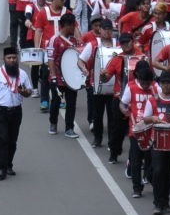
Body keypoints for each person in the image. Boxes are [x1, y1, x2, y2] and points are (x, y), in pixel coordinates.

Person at [0, 47, 32, 180]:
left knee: (12, 140)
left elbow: (29, 92)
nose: (12, 60)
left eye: (14, 58)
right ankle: (1, 168)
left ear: (17, 59)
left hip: (16, 111)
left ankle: (9, 164)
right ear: (4, 59)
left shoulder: (23, 74)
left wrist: (24, 92)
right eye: (9, 58)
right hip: (0, 111)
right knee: (3, 138)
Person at [143, 70, 170, 215]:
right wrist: (154, 118)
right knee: (158, 170)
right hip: (157, 140)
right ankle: (158, 203)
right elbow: (146, 118)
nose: (166, 85)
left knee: (169, 172)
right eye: (164, 83)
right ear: (160, 84)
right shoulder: (152, 99)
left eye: (169, 83)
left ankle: (166, 201)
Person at [101, 32, 147, 163]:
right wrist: (102, 74)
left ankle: (138, 157)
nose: (125, 45)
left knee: (140, 128)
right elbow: (105, 79)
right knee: (118, 129)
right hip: (120, 99)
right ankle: (114, 153)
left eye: (128, 41)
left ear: (133, 42)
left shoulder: (142, 58)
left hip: (139, 99)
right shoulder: (117, 59)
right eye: (122, 43)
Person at [79, 18, 120, 149]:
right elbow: (80, 60)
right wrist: (84, 68)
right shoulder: (92, 44)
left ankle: (112, 141)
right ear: (100, 30)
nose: (107, 31)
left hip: (113, 85)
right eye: (105, 29)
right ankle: (97, 138)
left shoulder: (117, 44)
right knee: (97, 113)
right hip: (96, 84)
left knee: (113, 115)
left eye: (109, 29)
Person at [120, 65, 156, 198]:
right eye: (143, 83)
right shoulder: (132, 88)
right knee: (135, 161)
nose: (146, 86)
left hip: (152, 130)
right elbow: (123, 103)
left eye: (148, 83)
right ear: (139, 79)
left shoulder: (155, 89)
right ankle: (137, 188)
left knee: (151, 159)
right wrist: (124, 110)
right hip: (136, 130)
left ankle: (150, 178)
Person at [47, 14, 81, 138]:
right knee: (55, 102)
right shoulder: (55, 39)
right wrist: (54, 77)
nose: (75, 28)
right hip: (58, 78)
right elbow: (51, 59)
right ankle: (53, 123)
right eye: (73, 25)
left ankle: (69, 127)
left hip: (71, 79)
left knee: (71, 103)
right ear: (66, 25)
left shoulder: (74, 40)